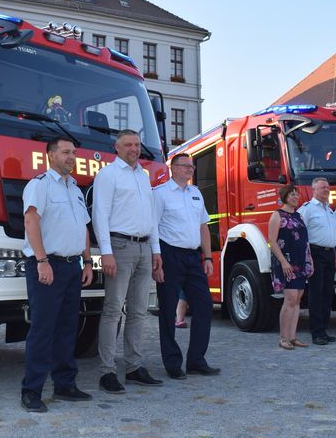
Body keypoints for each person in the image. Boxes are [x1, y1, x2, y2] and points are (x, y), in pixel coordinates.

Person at [20, 136, 94, 412]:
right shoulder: (40, 185)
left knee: (67, 328)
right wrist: (41, 260)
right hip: (47, 264)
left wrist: (87, 262)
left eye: (74, 152)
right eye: (65, 152)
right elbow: (31, 220)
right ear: (50, 155)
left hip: (72, 266)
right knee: (43, 329)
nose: (71, 157)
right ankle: (31, 391)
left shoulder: (75, 189)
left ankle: (65, 385)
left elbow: (83, 228)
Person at [93, 129, 163, 393]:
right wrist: (106, 252)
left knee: (138, 312)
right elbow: (100, 214)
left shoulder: (143, 177)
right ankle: (106, 372)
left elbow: (151, 217)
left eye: (137, 144)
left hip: (145, 247)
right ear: (117, 147)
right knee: (112, 310)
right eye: (128, 144)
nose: (134, 148)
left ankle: (133, 366)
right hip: (119, 247)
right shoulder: (108, 175)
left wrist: (156, 251)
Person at [153, 153, 220, 378]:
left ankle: (196, 360)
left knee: (204, 306)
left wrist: (208, 257)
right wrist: (157, 258)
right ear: (174, 169)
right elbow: (153, 227)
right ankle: (172, 363)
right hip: (169, 255)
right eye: (186, 166)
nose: (191, 170)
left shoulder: (196, 193)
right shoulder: (160, 194)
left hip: (193, 257)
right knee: (168, 309)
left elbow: (203, 227)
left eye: (192, 167)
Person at [269, 184, 313, 350]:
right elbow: (272, 241)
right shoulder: (277, 215)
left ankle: (293, 337)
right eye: (292, 194)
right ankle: (283, 338)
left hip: (301, 261)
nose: (295, 197)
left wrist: (310, 261)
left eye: (297, 194)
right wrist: (283, 262)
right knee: (290, 300)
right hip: (286, 262)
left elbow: (304, 240)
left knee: (297, 300)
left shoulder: (299, 216)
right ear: (285, 196)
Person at [298, 177, 336, 345]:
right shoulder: (307, 209)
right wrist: (307, 258)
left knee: (327, 293)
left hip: (329, 254)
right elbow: (300, 236)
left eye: (328, 187)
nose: (326, 190)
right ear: (313, 190)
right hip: (314, 254)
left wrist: (335, 255)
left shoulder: (329, 210)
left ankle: (324, 329)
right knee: (316, 294)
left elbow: (331, 235)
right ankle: (316, 332)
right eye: (323, 187)